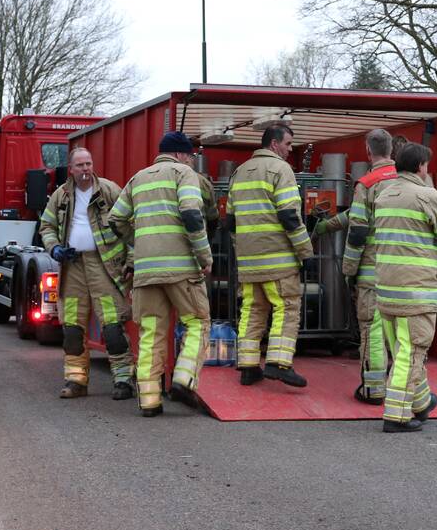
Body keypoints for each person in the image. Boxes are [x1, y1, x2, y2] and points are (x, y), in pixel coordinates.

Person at [109, 131, 213, 417]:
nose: (191, 161)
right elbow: (192, 214)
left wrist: (139, 242)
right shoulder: (183, 174)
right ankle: (184, 378)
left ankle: (150, 401)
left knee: (151, 333)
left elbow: (115, 221)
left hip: (145, 271)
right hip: (181, 269)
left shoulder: (137, 178)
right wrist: (204, 255)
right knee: (197, 322)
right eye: (190, 155)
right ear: (180, 154)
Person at [373, 142, 437, 433]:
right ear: (421, 167)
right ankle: (396, 416)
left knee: (403, 351)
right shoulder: (427, 196)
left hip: (386, 291)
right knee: (411, 352)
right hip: (416, 292)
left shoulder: (384, 196)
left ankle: (421, 403)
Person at [40, 147, 134, 401]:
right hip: (73, 267)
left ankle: (124, 380)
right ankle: (76, 380)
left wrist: (131, 260)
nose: (85, 169)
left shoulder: (110, 190)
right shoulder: (61, 196)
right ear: (71, 169)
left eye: (89, 164)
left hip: (104, 266)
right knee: (72, 328)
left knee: (113, 327)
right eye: (80, 165)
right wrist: (55, 247)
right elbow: (47, 225)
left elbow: (132, 224)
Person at [314, 128, 397, 403]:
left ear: (368, 151)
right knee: (402, 335)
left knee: (372, 331)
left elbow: (359, 229)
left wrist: (347, 271)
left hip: (374, 274)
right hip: (409, 274)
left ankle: (374, 389)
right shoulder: (410, 181)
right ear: (392, 150)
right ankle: (406, 391)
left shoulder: (368, 184)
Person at [226, 125, 313, 387]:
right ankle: (279, 363)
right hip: (278, 260)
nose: (289, 150)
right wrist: (305, 251)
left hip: (248, 261)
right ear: (274, 144)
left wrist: (242, 248)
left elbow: (230, 221)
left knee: (252, 311)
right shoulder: (281, 170)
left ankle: (249, 367)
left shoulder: (240, 172)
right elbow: (289, 215)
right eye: (288, 144)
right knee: (287, 308)